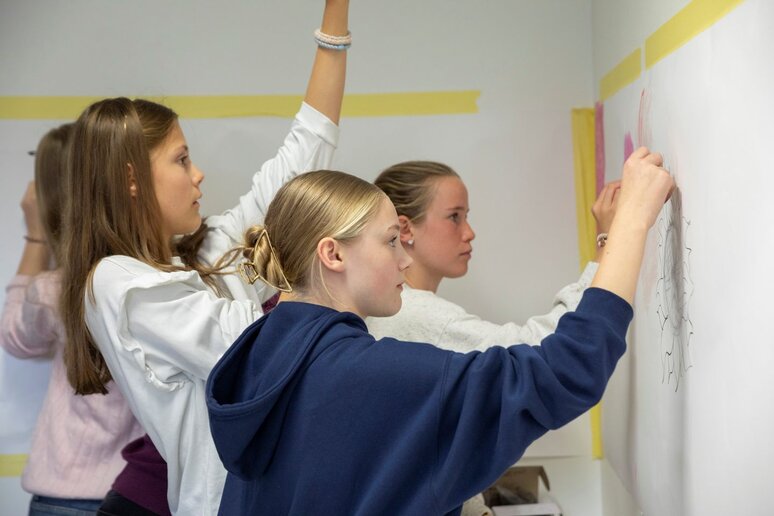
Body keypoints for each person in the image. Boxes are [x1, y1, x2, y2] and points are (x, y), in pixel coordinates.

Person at [205, 148, 674, 515]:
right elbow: (567, 368)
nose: (403, 259)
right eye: (390, 241)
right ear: (334, 254)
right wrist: (631, 221)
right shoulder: (365, 375)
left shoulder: (262, 359)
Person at [59, 2, 349, 514]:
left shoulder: (205, 254)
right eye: (181, 159)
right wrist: (333, 278)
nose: (198, 174)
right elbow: (245, 344)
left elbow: (302, 156)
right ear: (131, 179)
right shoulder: (114, 282)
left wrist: (335, 18)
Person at [0, 124, 145, 516]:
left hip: (66, 494)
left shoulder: (54, 290)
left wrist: (37, 236)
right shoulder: (160, 279)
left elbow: (16, 337)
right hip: (143, 492)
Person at [368, 160, 620, 350]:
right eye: (454, 217)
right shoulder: (416, 314)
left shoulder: (393, 307)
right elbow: (540, 348)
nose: (469, 233)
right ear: (405, 229)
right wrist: (607, 244)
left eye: (466, 216)